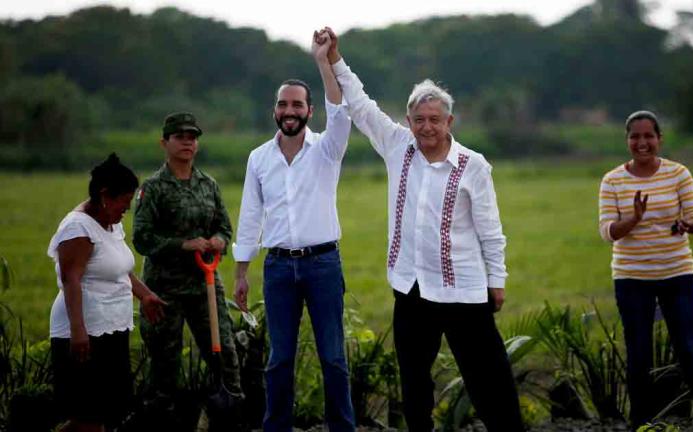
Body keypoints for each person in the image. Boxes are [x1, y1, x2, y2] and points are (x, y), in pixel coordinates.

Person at [322, 27, 525, 431]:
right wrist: (334, 60)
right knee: (414, 382)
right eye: (419, 119)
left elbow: (490, 229)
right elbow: (360, 106)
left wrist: (496, 281)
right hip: (411, 288)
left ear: (449, 120)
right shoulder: (398, 145)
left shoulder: (474, 165)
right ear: (408, 120)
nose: (427, 127)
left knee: (488, 381)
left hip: (465, 290)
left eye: (435, 119)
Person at [232, 32, 355, 432]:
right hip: (279, 269)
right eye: (283, 104)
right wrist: (240, 271)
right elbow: (251, 214)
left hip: (323, 265)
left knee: (333, 358)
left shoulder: (327, 149)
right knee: (279, 359)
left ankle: (343, 428)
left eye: (297, 104)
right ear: (275, 110)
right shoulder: (258, 158)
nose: (290, 110)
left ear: (309, 110)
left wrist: (324, 60)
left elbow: (341, 113)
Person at [598, 110, 693, 431]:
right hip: (631, 278)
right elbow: (608, 231)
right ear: (627, 140)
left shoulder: (679, 174)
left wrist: (686, 223)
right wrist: (634, 218)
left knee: (689, 349)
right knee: (639, 353)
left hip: (677, 275)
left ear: (659, 139)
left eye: (648, 136)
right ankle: (642, 422)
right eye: (635, 137)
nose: (642, 143)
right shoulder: (613, 180)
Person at [132, 112, 243, 423]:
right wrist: (184, 244)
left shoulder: (208, 185)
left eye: (192, 137)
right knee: (164, 365)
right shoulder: (153, 188)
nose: (187, 142)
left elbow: (224, 226)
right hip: (163, 290)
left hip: (204, 286)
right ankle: (161, 420)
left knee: (226, 356)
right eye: (180, 136)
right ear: (164, 142)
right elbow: (142, 238)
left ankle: (229, 416)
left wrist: (219, 240)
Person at [48, 153, 166, 432]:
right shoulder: (77, 228)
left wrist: (145, 295)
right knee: (87, 418)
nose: (126, 209)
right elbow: (71, 279)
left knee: (105, 414)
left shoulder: (110, 222)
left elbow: (120, 269)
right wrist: (79, 331)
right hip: (85, 333)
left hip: (112, 328)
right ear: (104, 195)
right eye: (124, 202)